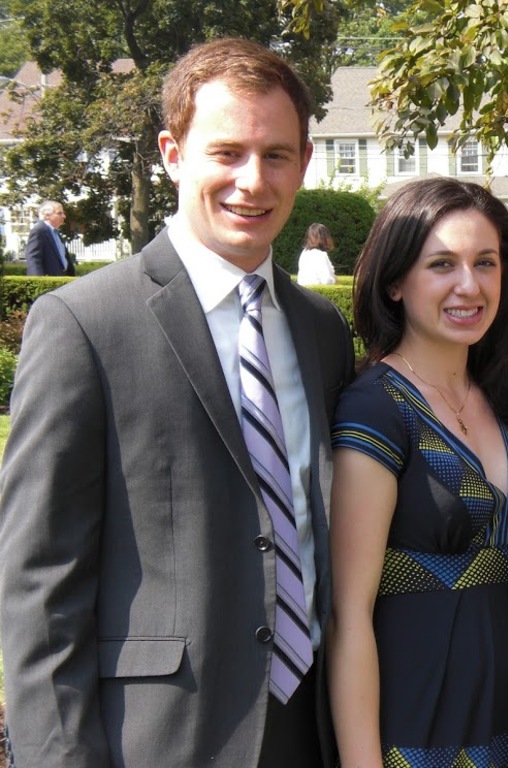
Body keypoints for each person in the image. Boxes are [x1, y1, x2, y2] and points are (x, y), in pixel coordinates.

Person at [0, 38, 355, 768]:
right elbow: (39, 583)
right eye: (226, 152)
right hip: (159, 738)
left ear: (304, 164)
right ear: (172, 153)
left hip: (308, 730)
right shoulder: (84, 325)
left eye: (276, 155)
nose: (252, 181)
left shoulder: (321, 332)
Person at [328, 177, 508, 766]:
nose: (469, 285)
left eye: (486, 263)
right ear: (395, 281)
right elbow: (350, 614)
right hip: (415, 717)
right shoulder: (377, 406)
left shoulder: (505, 401)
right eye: (442, 264)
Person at [24, 199, 72, 276]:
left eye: (63, 213)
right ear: (47, 215)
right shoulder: (39, 231)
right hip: (49, 280)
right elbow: (33, 258)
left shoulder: (56, 233)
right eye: (59, 213)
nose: (64, 216)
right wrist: (39, 282)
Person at [297, 222, 337, 286]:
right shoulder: (321, 255)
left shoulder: (304, 253)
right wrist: (334, 280)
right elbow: (327, 280)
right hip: (316, 293)